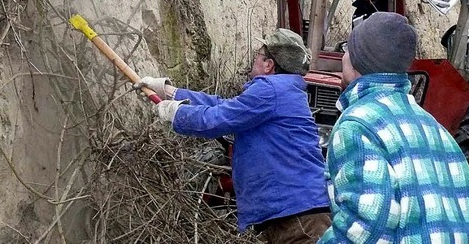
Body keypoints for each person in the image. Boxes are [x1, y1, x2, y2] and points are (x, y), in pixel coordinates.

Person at [138, 28, 331, 243]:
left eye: (258, 55)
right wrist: (172, 93)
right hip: (297, 213)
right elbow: (225, 106)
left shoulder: (270, 90)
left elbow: (218, 119)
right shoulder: (281, 91)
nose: (254, 60)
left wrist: (176, 113)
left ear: (268, 65)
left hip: (298, 218)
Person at [318, 12, 469, 243]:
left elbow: (364, 228)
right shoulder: (435, 128)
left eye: (347, 50)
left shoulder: (357, 127)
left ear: (357, 60)